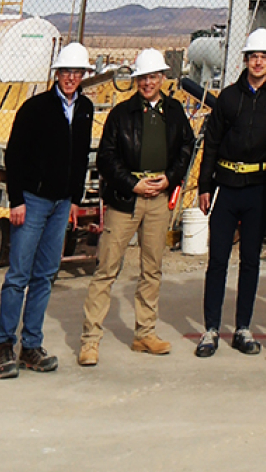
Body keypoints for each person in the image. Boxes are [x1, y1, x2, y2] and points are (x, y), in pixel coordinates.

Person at [79, 49, 193, 367]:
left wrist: (169, 178)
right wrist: (132, 183)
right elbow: (106, 157)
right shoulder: (121, 114)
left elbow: (186, 145)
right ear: (135, 80)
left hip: (158, 199)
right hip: (126, 200)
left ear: (162, 79)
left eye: (153, 77)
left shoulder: (174, 111)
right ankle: (90, 340)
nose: (147, 82)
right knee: (107, 268)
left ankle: (145, 333)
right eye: (142, 77)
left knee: (152, 268)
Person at [0, 41, 95, 378]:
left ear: (82, 76)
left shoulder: (85, 109)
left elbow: (80, 158)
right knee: (18, 274)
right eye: (66, 72)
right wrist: (16, 200)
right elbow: (15, 155)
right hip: (33, 202)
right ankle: (3, 345)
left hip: (62, 203)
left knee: (46, 275)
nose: (70, 78)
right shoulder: (35, 108)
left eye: (76, 73)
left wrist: (75, 201)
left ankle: (31, 345)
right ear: (57, 74)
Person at [195, 26, 266, 358]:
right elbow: (212, 143)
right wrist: (205, 186)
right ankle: (210, 329)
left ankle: (243, 328)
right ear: (246, 60)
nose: (259, 62)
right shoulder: (229, 98)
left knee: (250, 261)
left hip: (258, 191)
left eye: (264, 57)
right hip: (227, 188)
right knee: (218, 260)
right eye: (254, 56)